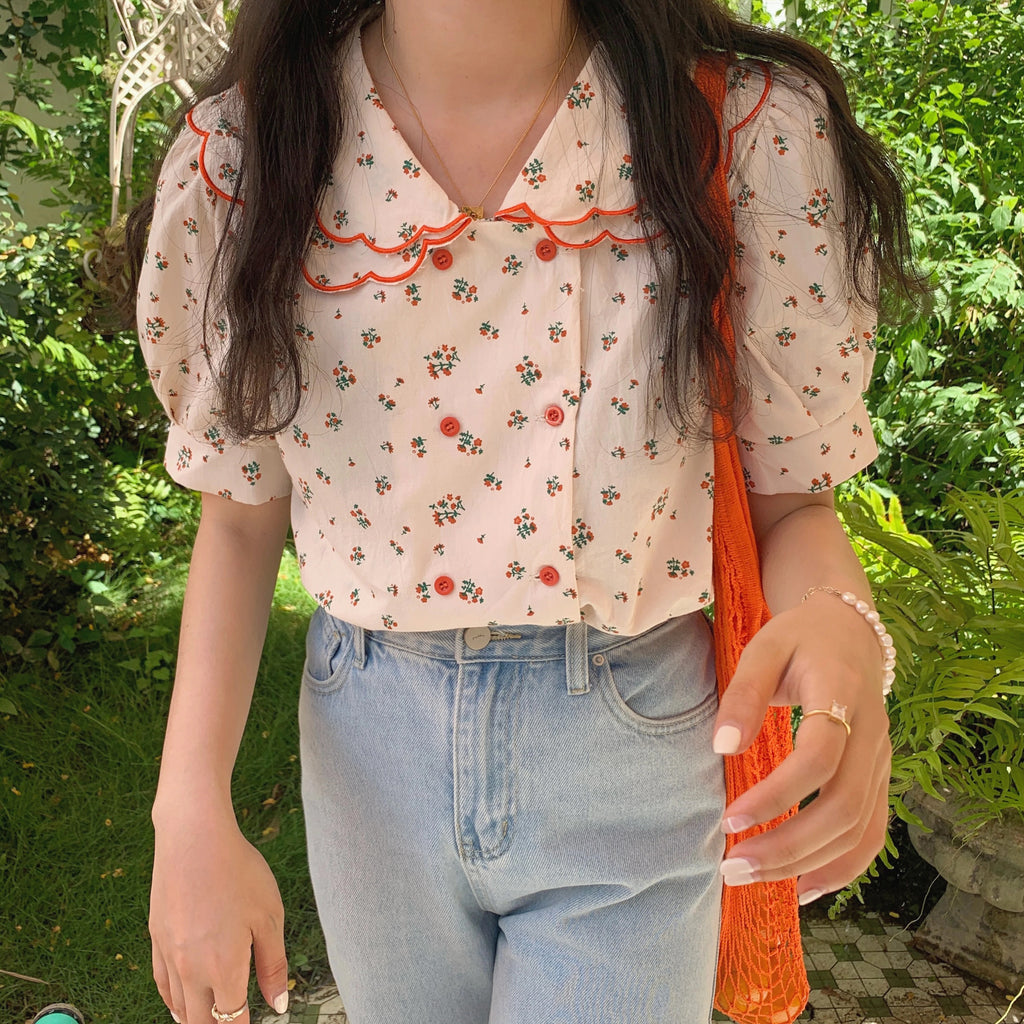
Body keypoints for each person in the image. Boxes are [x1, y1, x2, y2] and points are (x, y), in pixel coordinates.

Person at [126, 1, 922, 1021]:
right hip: (367, 751)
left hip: (629, 745)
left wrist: (847, 634)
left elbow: (791, 504)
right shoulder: (250, 156)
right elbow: (240, 517)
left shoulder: (742, 132)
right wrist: (188, 809)